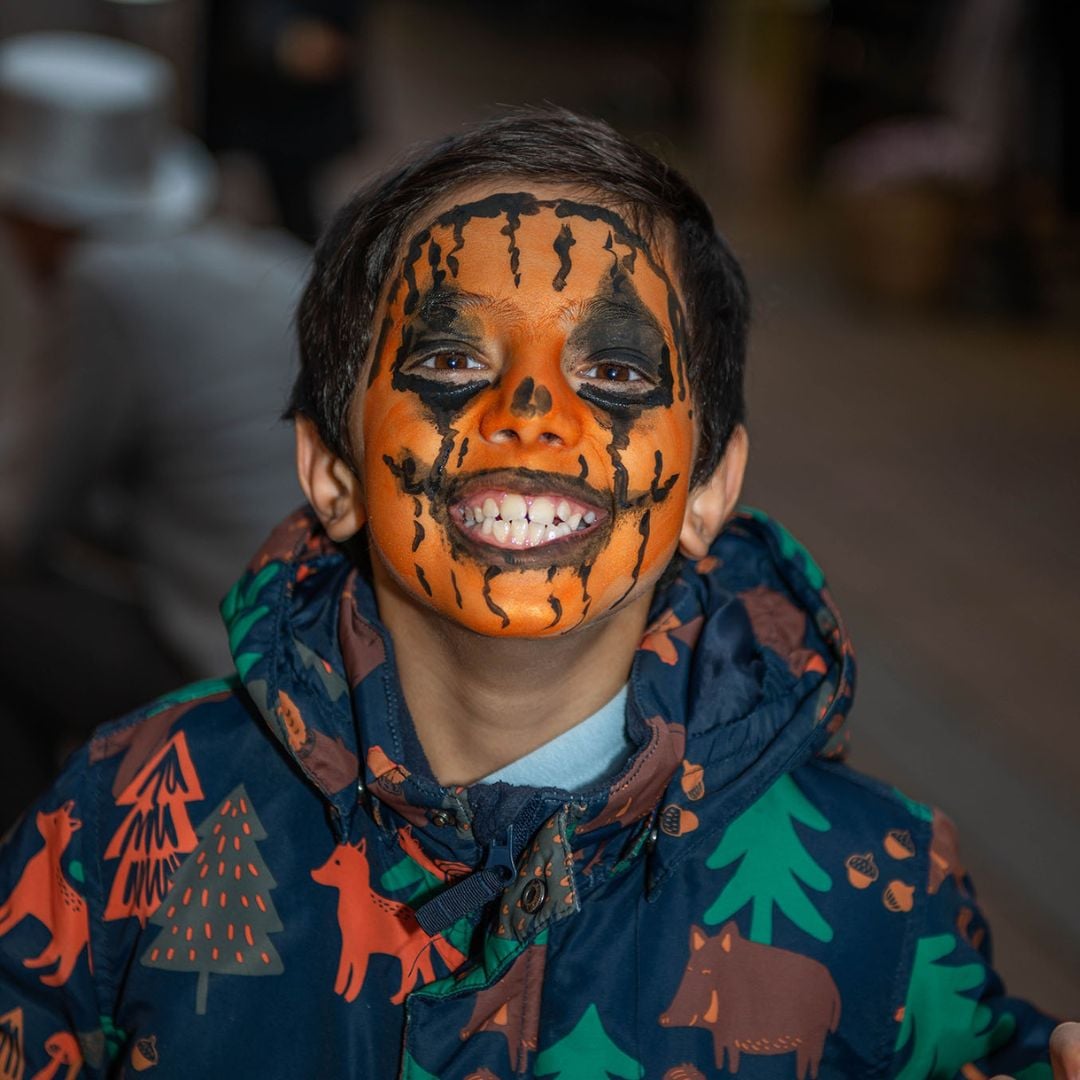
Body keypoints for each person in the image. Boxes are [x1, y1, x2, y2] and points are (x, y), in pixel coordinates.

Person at [0, 107, 1073, 1078]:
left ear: (706, 490)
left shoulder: (880, 887)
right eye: (453, 360)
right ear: (334, 468)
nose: (528, 409)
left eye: (612, 375)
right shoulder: (126, 810)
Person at [0, 33, 308, 826]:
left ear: (36, 211)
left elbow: (24, 518)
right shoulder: (270, 260)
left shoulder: (104, 285)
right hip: (330, 648)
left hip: (230, 665)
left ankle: (44, 870)